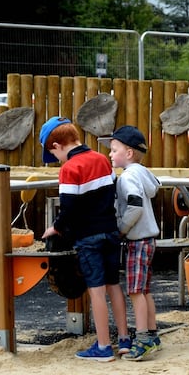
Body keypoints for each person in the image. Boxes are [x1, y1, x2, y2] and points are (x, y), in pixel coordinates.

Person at [39, 116, 130, 362]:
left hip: (88, 237)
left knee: (96, 290)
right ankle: (124, 340)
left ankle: (102, 347)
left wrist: (56, 228)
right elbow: (112, 192)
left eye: (53, 154)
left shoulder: (69, 168)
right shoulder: (102, 159)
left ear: (56, 146)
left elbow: (68, 208)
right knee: (114, 285)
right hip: (111, 231)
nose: (57, 160)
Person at [105, 125, 162, 361]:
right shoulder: (142, 173)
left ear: (128, 153)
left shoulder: (127, 176)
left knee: (136, 291)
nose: (110, 154)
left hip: (137, 239)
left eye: (114, 149)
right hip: (148, 239)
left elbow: (135, 206)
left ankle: (142, 339)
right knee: (144, 290)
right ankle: (152, 332)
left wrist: (121, 230)